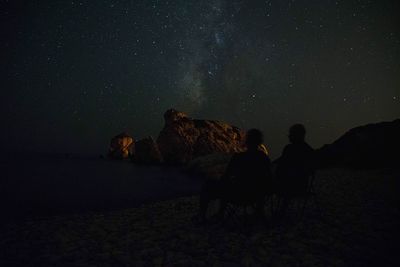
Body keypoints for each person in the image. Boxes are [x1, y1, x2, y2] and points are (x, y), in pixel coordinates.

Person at [196, 129, 272, 223]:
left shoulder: (239, 157)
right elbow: (268, 177)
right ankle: (259, 211)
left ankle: (207, 215)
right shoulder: (263, 158)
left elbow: (227, 175)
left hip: (236, 194)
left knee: (211, 184)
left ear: (247, 141)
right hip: (255, 195)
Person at [275, 124, 314, 214]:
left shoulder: (289, 149)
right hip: (301, 186)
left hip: (286, 186)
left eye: (290, 134)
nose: (289, 136)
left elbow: (280, 169)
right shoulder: (309, 150)